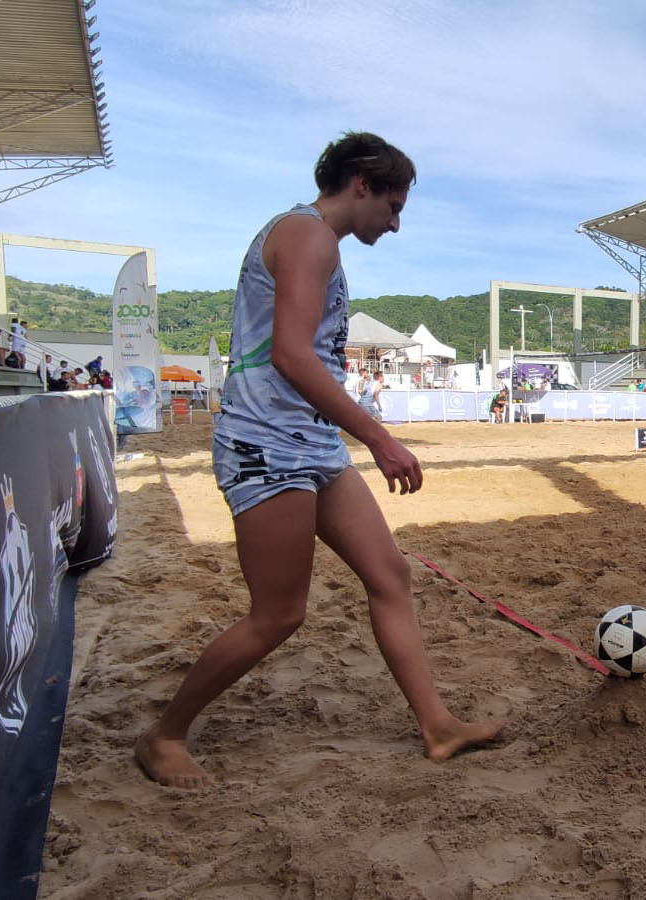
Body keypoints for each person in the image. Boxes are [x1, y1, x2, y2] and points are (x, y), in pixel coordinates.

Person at [135, 131, 500, 789]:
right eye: (392, 207)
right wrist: (380, 438)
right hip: (266, 445)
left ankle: (438, 728)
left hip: (309, 443)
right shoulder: (308, 236)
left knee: (389, 575)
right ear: (360, 184)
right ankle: (163, 736)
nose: (393, 225)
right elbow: (292, 356)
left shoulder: (315, 240)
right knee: (279, 613)